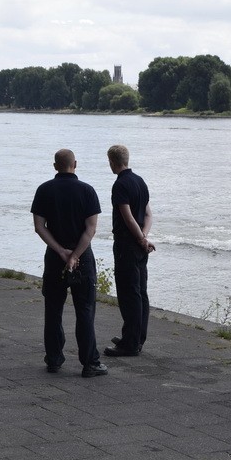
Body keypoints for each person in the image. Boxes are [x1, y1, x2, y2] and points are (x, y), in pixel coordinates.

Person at [31, 149, 107, 378]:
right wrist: (75, 256)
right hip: (83, 258)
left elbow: (39, 227)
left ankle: (54, 359)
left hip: (55, 258)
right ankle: (89, 363)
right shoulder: (87, 191)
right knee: (85, 309)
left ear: (55, 166)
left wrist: (61, 252)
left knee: (53, 309)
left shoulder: (44, 190)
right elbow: (90, 229)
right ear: (75, 164)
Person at [104, 144, 155, 358]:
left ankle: (130, 344)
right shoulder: (140, 181)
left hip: (127, 244)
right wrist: (144, 237)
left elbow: (127, 216)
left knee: (128, 294)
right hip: (139, 246)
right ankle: (136, 337)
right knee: (140, 292)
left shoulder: (121, 185)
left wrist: (140, 239)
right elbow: (148, 214)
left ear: (112, 162)